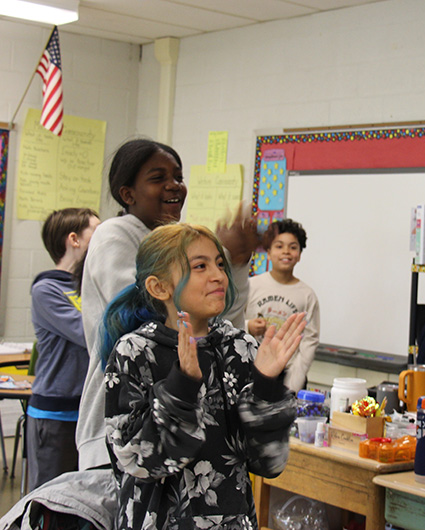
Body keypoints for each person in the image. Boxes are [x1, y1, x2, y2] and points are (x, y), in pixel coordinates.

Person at [101, 223, 304, 529]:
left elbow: (269, 462)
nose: (218, 276)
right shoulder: (135, 352)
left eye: (220, 264)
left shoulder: (240, 348)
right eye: (200, 266)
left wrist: (266, 385)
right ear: (159, 287)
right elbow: (135, 461)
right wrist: (181, 387)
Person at [76, 138, 258, 471]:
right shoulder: (114, 233)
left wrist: (237, 264)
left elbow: (223, 322)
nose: (174, 186)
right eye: (158, 178)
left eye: (178, 176)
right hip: (122, 427)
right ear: (128, 193)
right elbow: (150, 316)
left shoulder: (180, 243)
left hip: (186, 424)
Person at [28, 208, 100, 490]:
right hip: (56, 415)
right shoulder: (46, 290)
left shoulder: (89, 287)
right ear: (74, 239)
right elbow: (88, 332)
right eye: (96, 231)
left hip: (87, 412)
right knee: (50, 500)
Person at [244, 219, 320, 392]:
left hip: (287, 375)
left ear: (300, 254)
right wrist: (248, 326)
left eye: (293, 247)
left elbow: (310, 341)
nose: (286, 251)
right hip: (251, 369)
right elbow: (232, 322)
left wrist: (293, 383)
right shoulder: (251, 286)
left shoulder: (307, 295)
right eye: (279, 246)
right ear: (268, 253)